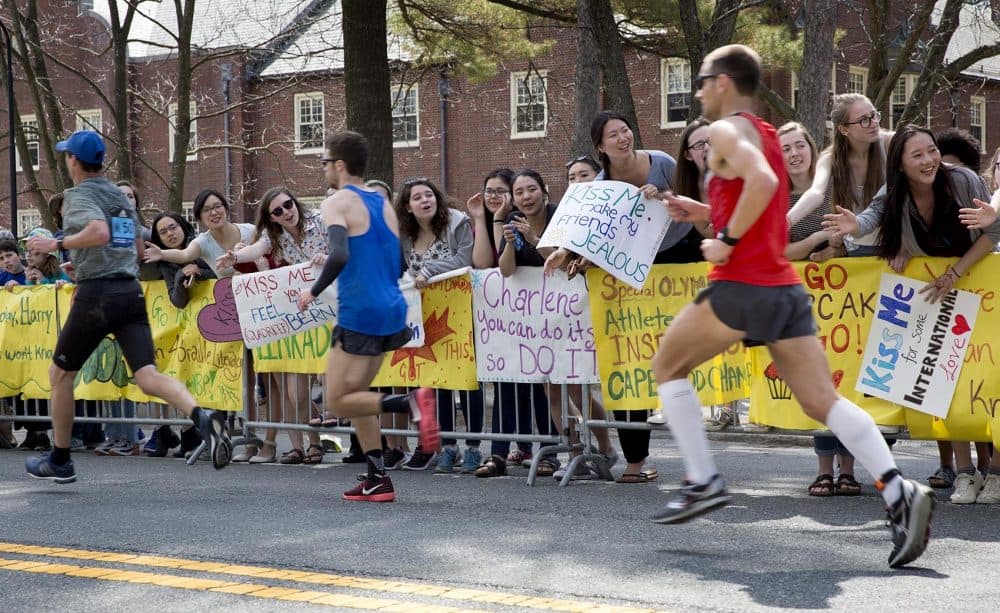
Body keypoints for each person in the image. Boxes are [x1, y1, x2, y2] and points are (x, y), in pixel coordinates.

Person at [652, 46, 934, 569]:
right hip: (780, 286)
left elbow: (758, 185)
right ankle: (900, 491)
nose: (695, 91)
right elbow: (761, 197)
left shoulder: (726, 131)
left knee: (666, 366)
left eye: (702, 80)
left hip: (742, 284)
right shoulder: (762, 131)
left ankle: (702, 479)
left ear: (724, 82)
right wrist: (703, 213)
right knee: (821, 402)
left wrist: (728, 240)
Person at [24, 130, 232, 483]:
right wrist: (86, 261)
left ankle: (60, 459)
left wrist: (57, 242)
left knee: (60, 374)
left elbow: (98, 233)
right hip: (129, 291)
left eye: (66, 156)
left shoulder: (79, 196)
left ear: (74, 160)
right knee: (147, 375)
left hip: (98, 295)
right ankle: (201, 414)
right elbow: (136, 248)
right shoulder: (119, 198)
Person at [823, 124, 1000, 504]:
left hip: (979, 285)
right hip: (937, 294)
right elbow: (871, 217)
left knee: (990, 380)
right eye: (916, 155)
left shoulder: (965, 181)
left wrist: (955, 272)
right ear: (900, 165)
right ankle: (965, 474)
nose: (929, 160)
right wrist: (855, 227)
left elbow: (993, 231)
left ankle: (996, 474)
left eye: (931, 151)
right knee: (946, 381)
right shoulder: (896, 193)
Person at [296, 130, 440, 502]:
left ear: (340, 166)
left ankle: (408, 403)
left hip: (361, 310)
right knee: (358, 395)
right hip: (392, 307)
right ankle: (378, 477)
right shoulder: (381, 201)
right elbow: (398, 262)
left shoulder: (336, 201)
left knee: (337, 400)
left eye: (326, 162)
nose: (325, 168)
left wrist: (312, 291)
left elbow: (339, 254)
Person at [775, 122, 858, 497]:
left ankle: (849, 470)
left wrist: (837, 249)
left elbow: (853, 232)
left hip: (847, 298)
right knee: (817, 381)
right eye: (786, 148)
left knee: (848, 380)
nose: (794, 153)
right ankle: (824, 469)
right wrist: (814, 240)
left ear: (811, 148)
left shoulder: (833, 187)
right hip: (804, 303)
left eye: (799, 145)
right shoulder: (776, 197)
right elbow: (778, 251)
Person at [217, 187, 327, 465]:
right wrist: (235, 257)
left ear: (295, 201)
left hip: (328, 307)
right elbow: (256, 249)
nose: (286, 212)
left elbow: (344, 248)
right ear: (272, 218)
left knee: (312, 385)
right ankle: (299, 445)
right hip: (295, 313)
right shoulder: (273, 236)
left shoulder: (321, 220)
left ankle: (322, 440)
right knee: (293, 390)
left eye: (288, 204)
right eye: (277, 211)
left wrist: (328, 259)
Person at [466, 168, 551, 477]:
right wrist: (494, 222)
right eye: (491, 191)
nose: (495, 197)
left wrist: (528, 235)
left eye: (503, 191)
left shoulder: (544, 218)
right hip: (507, 318)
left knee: (544, 384)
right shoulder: (503, 224)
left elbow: (554, 260)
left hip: (547, 315)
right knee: (504, 383)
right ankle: (498, 453)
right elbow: (493, 267)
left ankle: (549, 450)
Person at [393, 177, 477, 472]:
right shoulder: (405, 235)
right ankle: (447, 446)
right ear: (408, 206)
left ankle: (475, 446)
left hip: (459, 312)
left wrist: (430, 269)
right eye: (417, 197)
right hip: (425, 315)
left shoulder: (456, 223)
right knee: (437, 381)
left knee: (466, 382)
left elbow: (465, 258)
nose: (425, 200)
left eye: (429, 195)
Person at [787, 93, 893, 257]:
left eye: (874, 115)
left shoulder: (890, 143)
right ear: (844, 129)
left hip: (894, 247)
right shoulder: (830, 158)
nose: (874, 123)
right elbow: (816, 193)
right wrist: (787, 221)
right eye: (864, 120)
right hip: (857, 249)